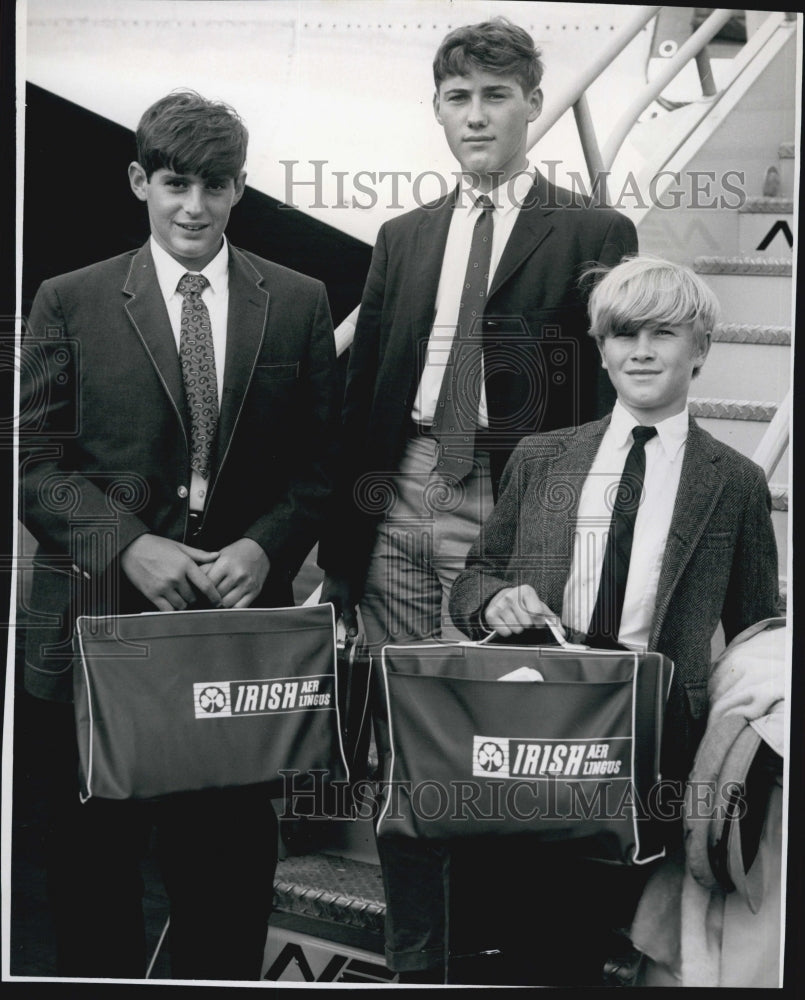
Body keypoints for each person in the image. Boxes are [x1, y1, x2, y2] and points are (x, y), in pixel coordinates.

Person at [317, 17, 636, 982]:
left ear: (534, 104)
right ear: (437, 112)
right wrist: (341, 551)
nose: (476, 115)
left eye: (496, 96)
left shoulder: (592, 230)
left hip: (512, 506)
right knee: (409, 745)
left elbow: (604, 394)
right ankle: (420, 959)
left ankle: (508, 955)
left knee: (501, 743)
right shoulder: (402, 237)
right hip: (401, 496)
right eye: (458, 98)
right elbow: (366, 387)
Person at [18, 90, 337, 980]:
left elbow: (321, 469)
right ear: (139, 181)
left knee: (227, 879)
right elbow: (32, 465)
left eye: (215, 185)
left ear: (241, 188)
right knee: (92, 877)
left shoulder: (300, 302)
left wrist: (264, 546)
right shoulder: (69, 300)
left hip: (230, 646)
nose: (194, 206)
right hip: (95, 631)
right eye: (174, 184)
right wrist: (126, 544)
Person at [448, 255, 780, 985]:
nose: (640, 350)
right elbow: (472, 579)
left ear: (700, 351)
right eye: (622, 334)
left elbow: (760, 633)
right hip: (536, 728)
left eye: (662, 333)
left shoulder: (733, 484)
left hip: (650, 748)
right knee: (525, 931)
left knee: (609, 937)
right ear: (599, 350)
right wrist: (490, 603)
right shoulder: (541, 458)